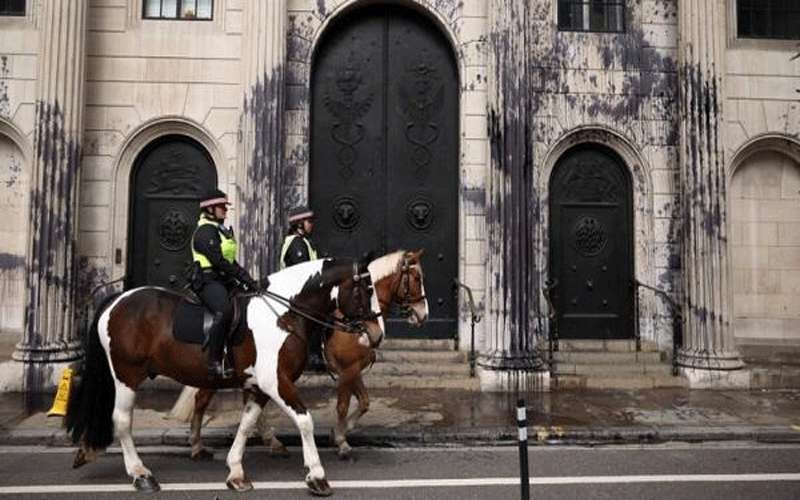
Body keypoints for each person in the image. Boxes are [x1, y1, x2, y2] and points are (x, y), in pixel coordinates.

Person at [191, 188, 259, 379]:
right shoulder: (205, 231)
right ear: (210, 209)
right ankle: (213, 361)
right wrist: (242, 277)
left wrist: (248, 280)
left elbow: (229, 261)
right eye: (221, 207)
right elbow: (218, 261)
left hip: (223, 280)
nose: (225, 210)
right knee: (224, 310)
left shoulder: (219, 230)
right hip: (208, 281)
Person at [279, 205, 325, 372]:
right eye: (309, 221)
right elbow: (303, 272)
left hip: (302, 290)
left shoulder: (304, 242)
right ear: (299, 224)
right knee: (318, 313)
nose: (312, 224)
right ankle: (313, 355)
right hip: (295, 292)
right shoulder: (296, 244)